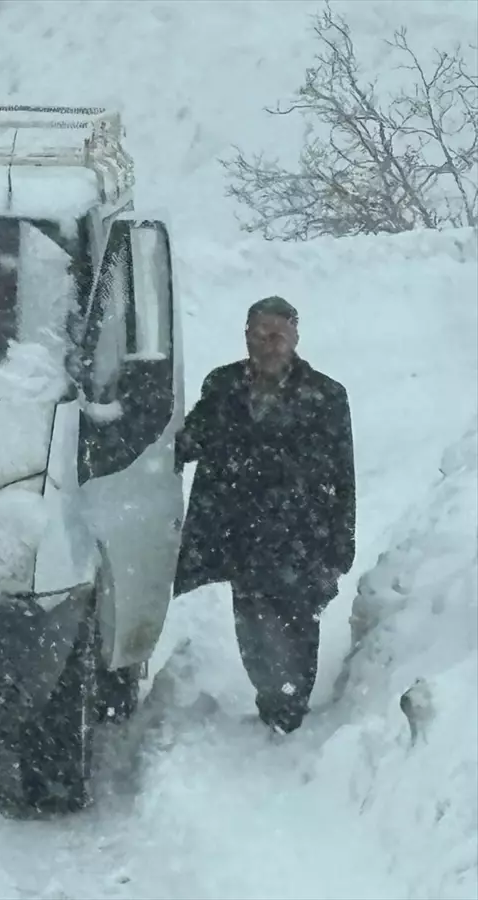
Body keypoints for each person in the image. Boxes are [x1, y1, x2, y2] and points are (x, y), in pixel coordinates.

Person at [173, 296, 356, 734]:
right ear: (246, 336)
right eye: (259, 334)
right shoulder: (223, 385)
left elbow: (343, 474)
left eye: (277, 335)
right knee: (254, 626)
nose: (268, 345)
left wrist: (340, 540)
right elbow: (193, 439)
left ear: (294, 337)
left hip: (301, 534)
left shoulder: (326, 395)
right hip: (241, 533)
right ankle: (271, 697)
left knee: (298, 624)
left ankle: (290, 708)